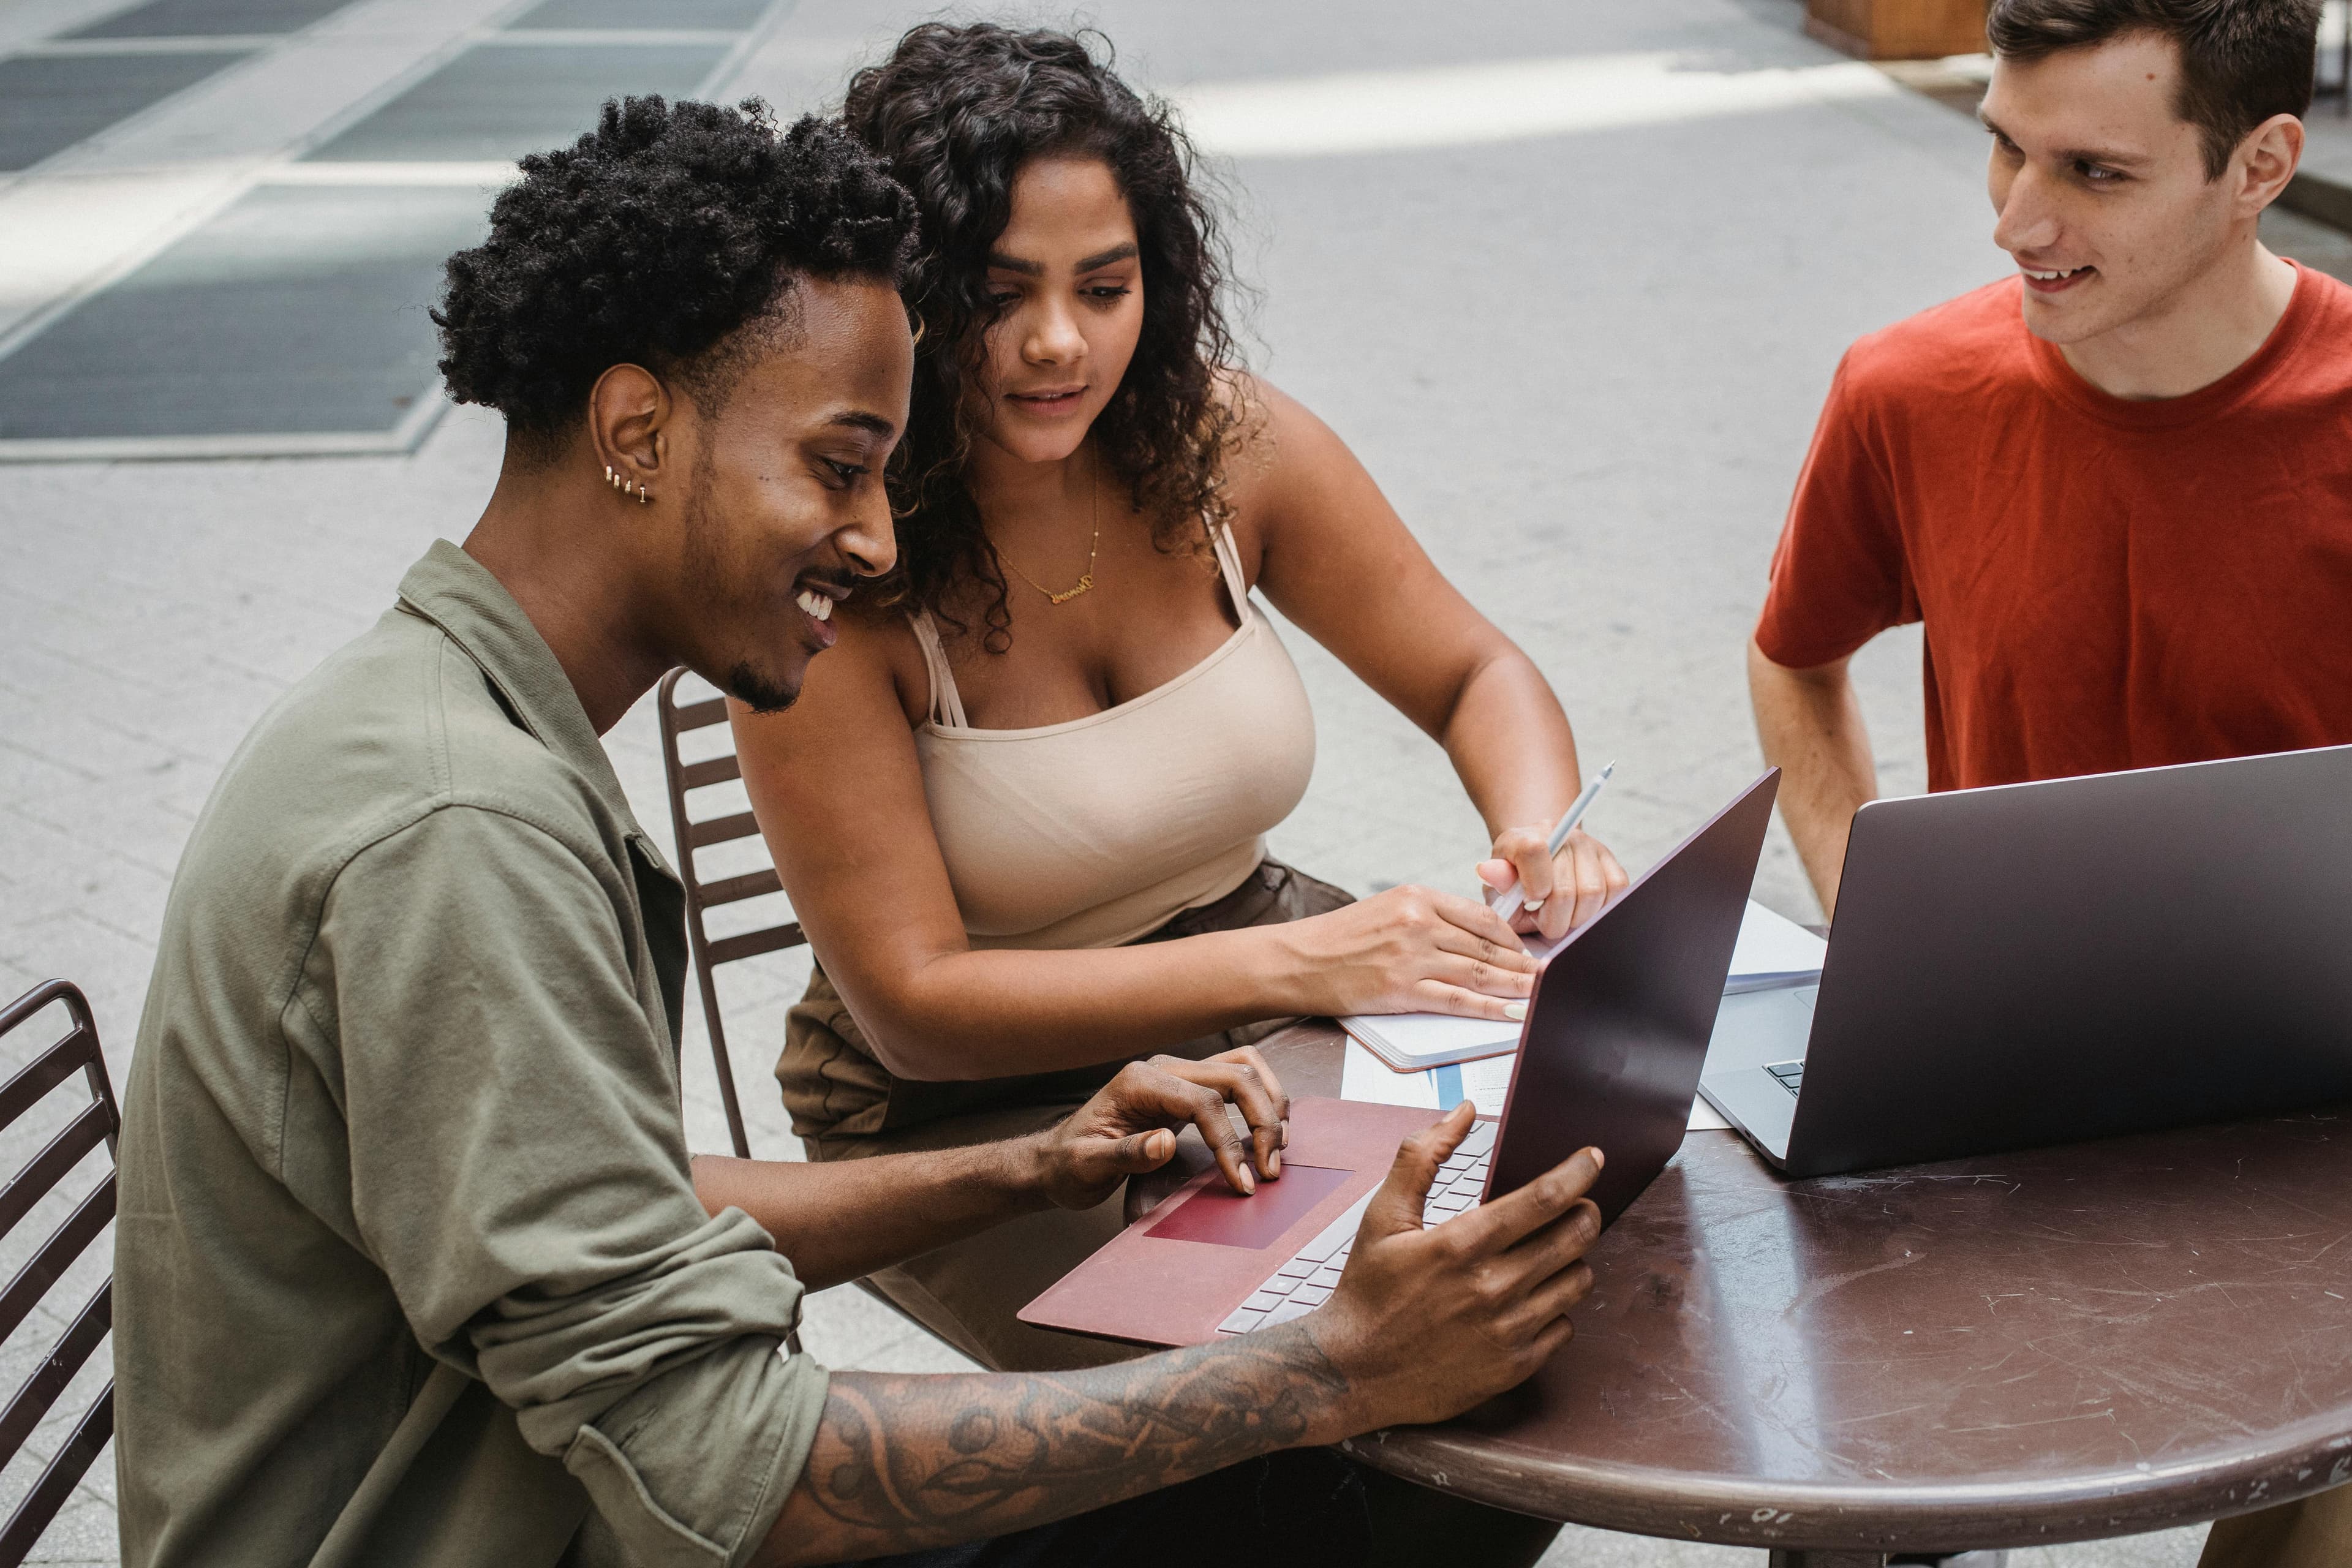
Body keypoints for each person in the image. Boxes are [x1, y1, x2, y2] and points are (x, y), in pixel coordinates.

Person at [110, 98, 1604, 1568]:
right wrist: (1327, 1375)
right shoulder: (456, 833)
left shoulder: (458, 722)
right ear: (637, 429)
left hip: (546, 1482)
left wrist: (1025, 1167)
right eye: (839, 465)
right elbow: (723, 1470)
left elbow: (614, 1203)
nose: (883, 537)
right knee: (1346, 1477)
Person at [730, 22, 1628, 1375]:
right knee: (1309, 1370)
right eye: (998, 292)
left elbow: (1474, 671)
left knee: (1569, 1224)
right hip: (968, 1109)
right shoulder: (844, 568)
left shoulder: (1221, 446)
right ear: (904, 301)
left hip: (1260, 1008)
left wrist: (1542, 830)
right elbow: (915, 1000)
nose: (1057, 343)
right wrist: (1304, 960)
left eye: (1106, 286)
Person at [1744, 1, 2352, 1563]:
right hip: (1985, 1068)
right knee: (1837, 1497)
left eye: (2091, 171)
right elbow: (1795, 655)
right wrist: (1858, 893)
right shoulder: (1909, 388)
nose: (2020, 219)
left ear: (2260, 164)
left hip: (2319, 1083)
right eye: (2003, 146)